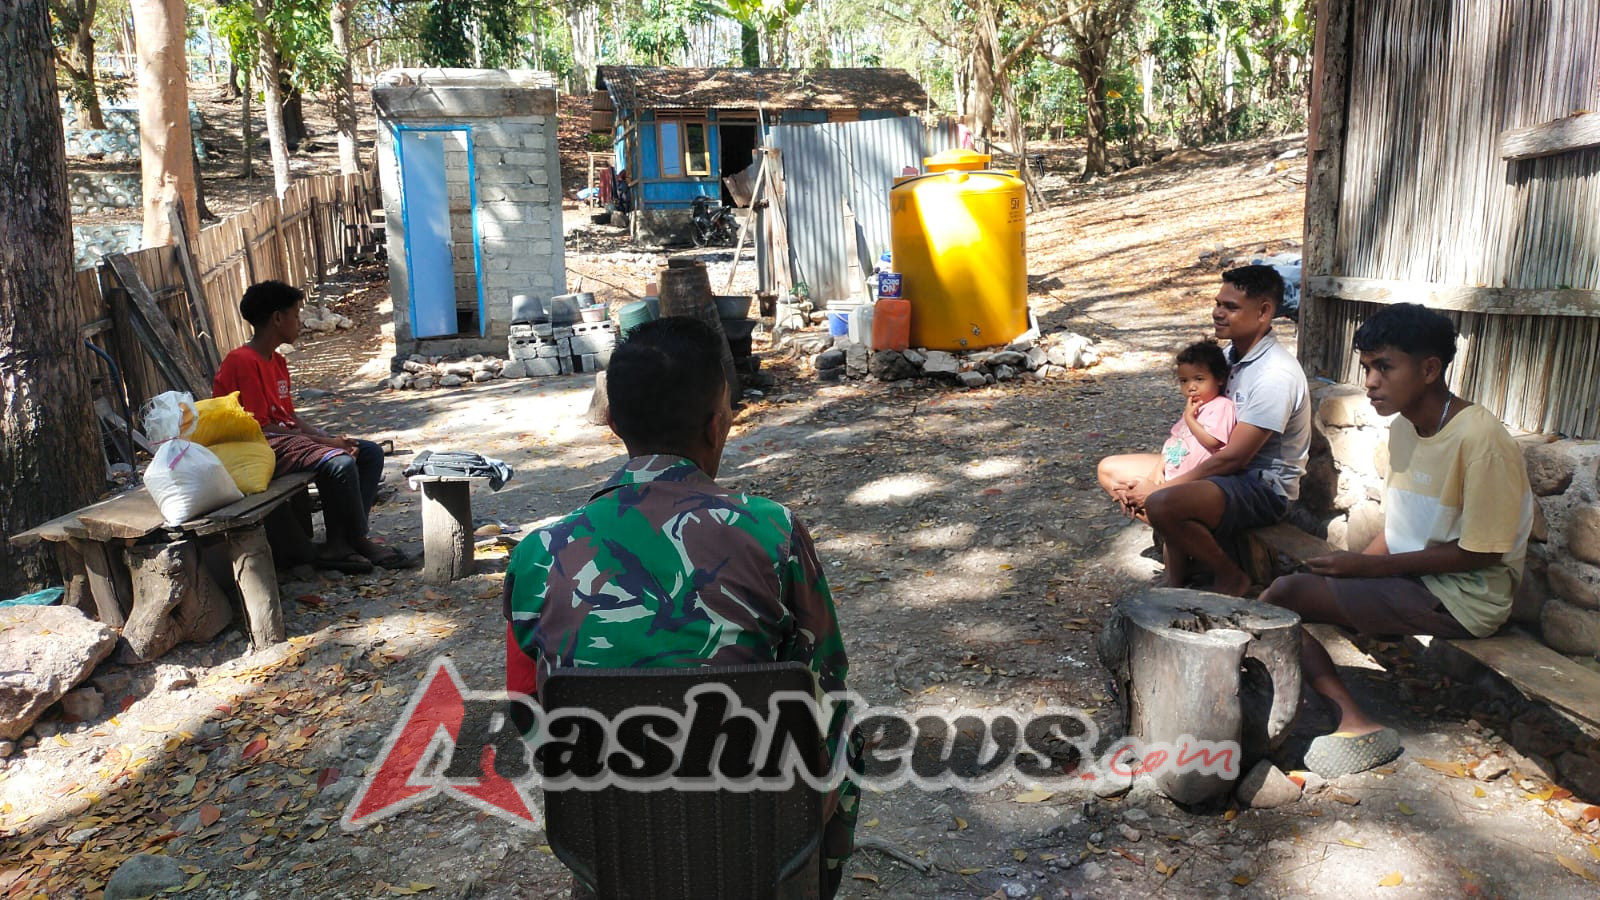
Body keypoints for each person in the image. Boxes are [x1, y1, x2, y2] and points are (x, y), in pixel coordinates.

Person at [503, 316, 856, 896]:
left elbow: (529, 710)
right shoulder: (774, 532)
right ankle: (809, 880)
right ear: (717, 426)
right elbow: (827, 680)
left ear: (613, 423)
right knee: (847, 729)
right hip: (761, 828)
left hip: (608, 837)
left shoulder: (539, 553)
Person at [1259, 304, 1533, 777]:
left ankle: (1356, 722)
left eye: (1384, 366)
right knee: (1285, 594)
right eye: (1366, 367)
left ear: (1429, 369)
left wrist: (1365, 572)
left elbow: (1484, 552)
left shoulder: (1481, 440)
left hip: (1467, 599)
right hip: (1419, 582)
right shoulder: (1406, 426)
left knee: (1281, 596)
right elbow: (1402, 524)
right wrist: (1352, 566)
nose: (1370, 381)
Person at [1097, 265, 1311, 595]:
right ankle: (1189, 541)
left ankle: (1228, 573)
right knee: (1111, 472)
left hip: (1260, 487)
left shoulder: (1276, 374)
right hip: (1215, 469)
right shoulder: (1226, 358)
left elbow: (1234, 459)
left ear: (1264, 312)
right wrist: (1156, 477)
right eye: (1217, 303)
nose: (1217, 313)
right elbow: (1188, 433)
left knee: (1162, 502)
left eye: (1230, 307)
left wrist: (1157, 491)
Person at [214, 280, 412, 573]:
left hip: (281, 438)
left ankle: (341, 541)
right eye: (295, 315)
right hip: (254, 445)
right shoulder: (242, 361)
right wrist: (328, 446)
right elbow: (261, 427)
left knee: (368, 452)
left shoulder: (277, 361)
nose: (300, 323)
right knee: (339, 463)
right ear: (277, 319)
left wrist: (327, 437)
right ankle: (354, 540)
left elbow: (289, 418)